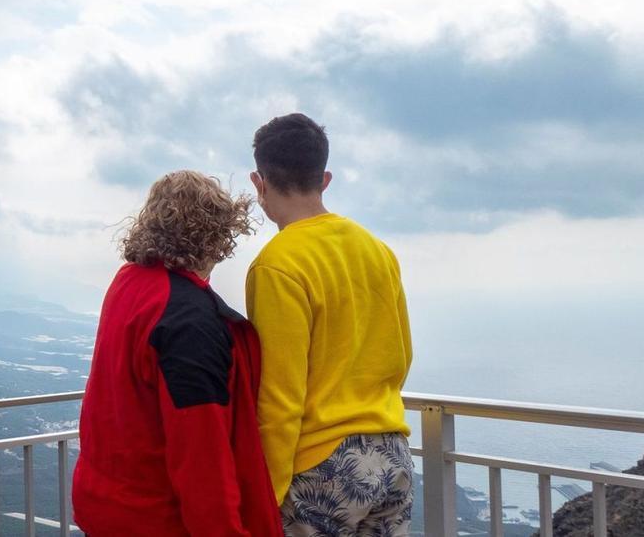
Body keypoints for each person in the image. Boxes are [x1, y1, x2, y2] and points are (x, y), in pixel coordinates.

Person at [73, 170, 282, 536]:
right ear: (216, 238)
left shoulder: (129, 282)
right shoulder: (187, 321)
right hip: (156, 519)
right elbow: (202, 456)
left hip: (104, 506)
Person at [245, 114, 415, 536]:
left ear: (259, 183)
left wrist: (264, 495)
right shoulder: (378, 251)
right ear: (325, 178)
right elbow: (402, 356)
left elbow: (280, 396)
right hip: (391, 455)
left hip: (321, 467)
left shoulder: (278, 264)